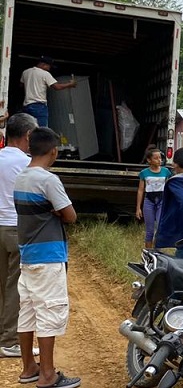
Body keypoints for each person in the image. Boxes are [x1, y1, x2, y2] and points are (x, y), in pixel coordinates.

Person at [14, 127, 80, 388]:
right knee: (49, 311)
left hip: (28, 255)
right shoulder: (48, 179)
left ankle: (29, 367)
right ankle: (48, 374)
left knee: (28, 312)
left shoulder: (22, 177)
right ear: (53, 151)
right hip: (48, 255)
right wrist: (56, 211)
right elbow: (71, 215)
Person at [0, 114, 37, 359]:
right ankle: (9, 341)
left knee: (2, 284)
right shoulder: (27, 163)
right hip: (17, 227)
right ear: (28, 136)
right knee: (15, 288)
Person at [20, 56, 77, 127]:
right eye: (49, 66)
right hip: (39, 106)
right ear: (44, 64)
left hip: (27, 106)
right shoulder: (45, 74)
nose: (49, 69)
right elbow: (57, 87)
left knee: (28, 128)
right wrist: (70, 84)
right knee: (42, 130)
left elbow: (21, 85)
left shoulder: (26, 72)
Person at [136, 146, 172, 248]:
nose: (159, 160)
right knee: (150, 231)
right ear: (149, 160)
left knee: (160, 228)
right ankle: (148, 254)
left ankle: (157, 252)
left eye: (160, 158)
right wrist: (138, 208)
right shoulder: (144, 173)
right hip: (149, 201)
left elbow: (169, 187)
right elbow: (140, 190)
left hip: (161, 200)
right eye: (156, 158)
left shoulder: (166, 172)